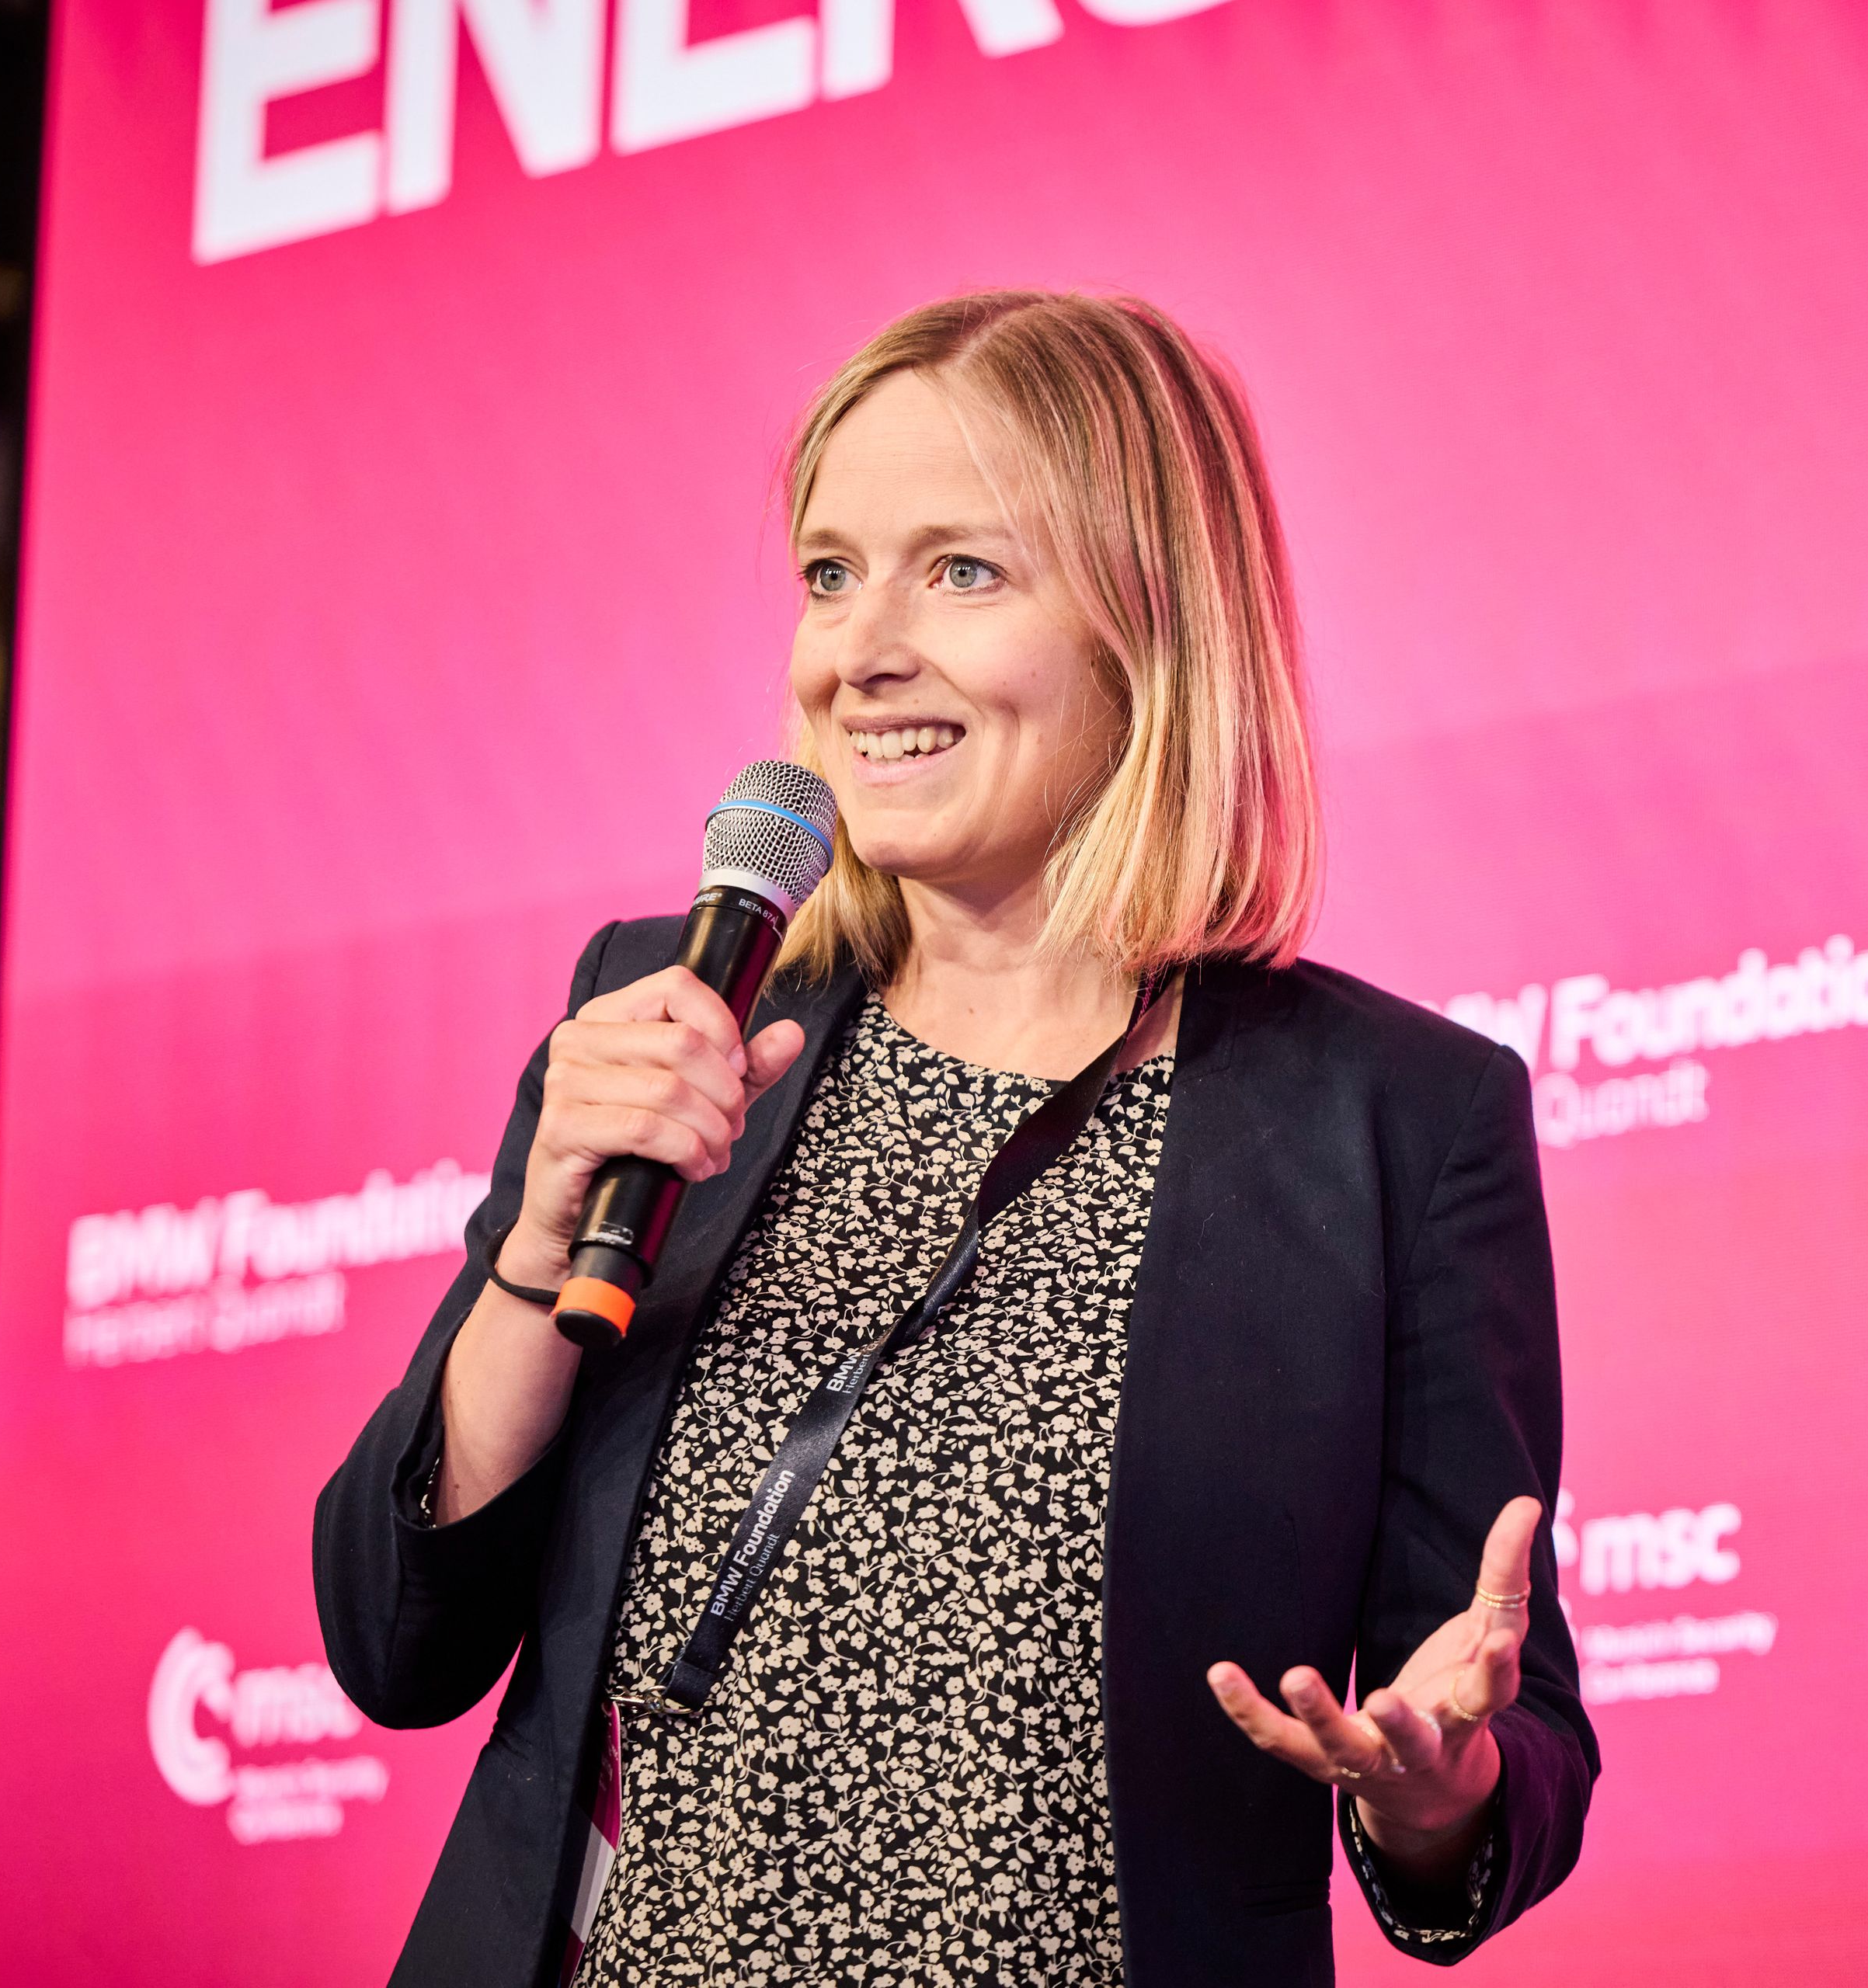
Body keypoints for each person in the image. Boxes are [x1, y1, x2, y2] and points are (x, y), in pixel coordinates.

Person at [315, 290, 1595, 1988]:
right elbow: (396, 1638)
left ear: (1151, 625)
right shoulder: (678, 1012)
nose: (858, 649)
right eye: (830, 572)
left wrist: (1441, 1789)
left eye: (961, 570)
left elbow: (1507, 1746)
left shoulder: (1392, 1122)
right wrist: (534, 1255)